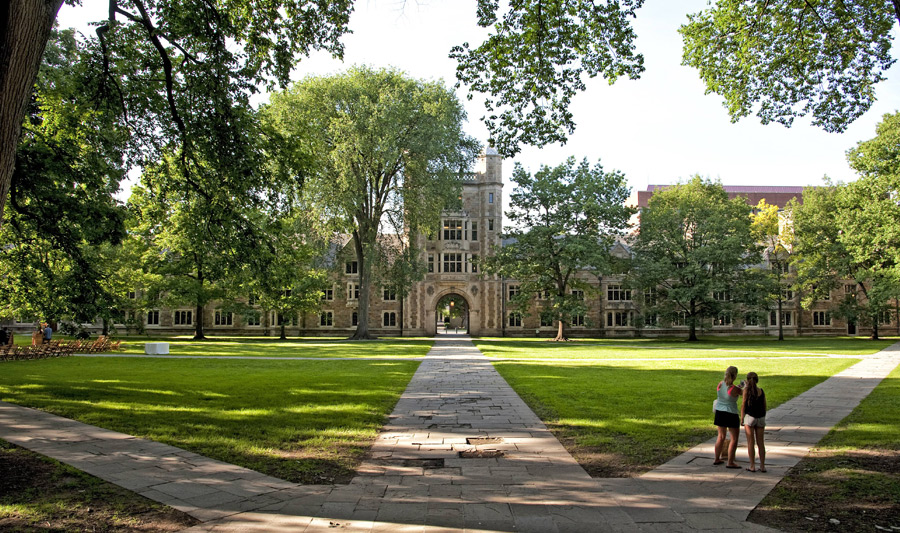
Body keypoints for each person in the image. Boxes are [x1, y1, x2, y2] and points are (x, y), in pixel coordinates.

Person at [713, 365, 743, 468]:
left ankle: (717, 458)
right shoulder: (734, 388)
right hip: (731, 413)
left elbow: (726, 392)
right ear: (735, 376)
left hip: (720, 412)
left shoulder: (720, 384)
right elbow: (743, 393)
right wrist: (744, 386)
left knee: (720, 437)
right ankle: (730, 461)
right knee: (734, 438)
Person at [741, 372, 767, 472]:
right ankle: (762, 465)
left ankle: (752, 465)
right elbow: (764, 404)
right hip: (760, 417)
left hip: (750, 417)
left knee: (750, 442)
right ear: (757, 380)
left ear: (747, 380)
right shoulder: (761, 391)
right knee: (761, 443)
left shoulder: (747, 391)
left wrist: (742, 418)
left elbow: (743, 404)